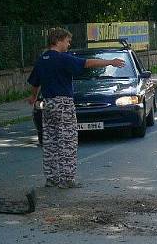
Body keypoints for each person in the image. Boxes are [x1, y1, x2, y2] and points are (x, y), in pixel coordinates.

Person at [27, 28, 125, 188]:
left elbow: (35, 82)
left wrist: (33, 97)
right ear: (58, 40)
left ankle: (52, 178)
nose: (68, 44)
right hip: (63, 104)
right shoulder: (62, 58)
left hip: (48, 104)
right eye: (67, 41)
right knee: (67, 141)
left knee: (51, 141)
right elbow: (87, 63)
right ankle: (66, 179)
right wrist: (110, 62)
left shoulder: (42, 59)